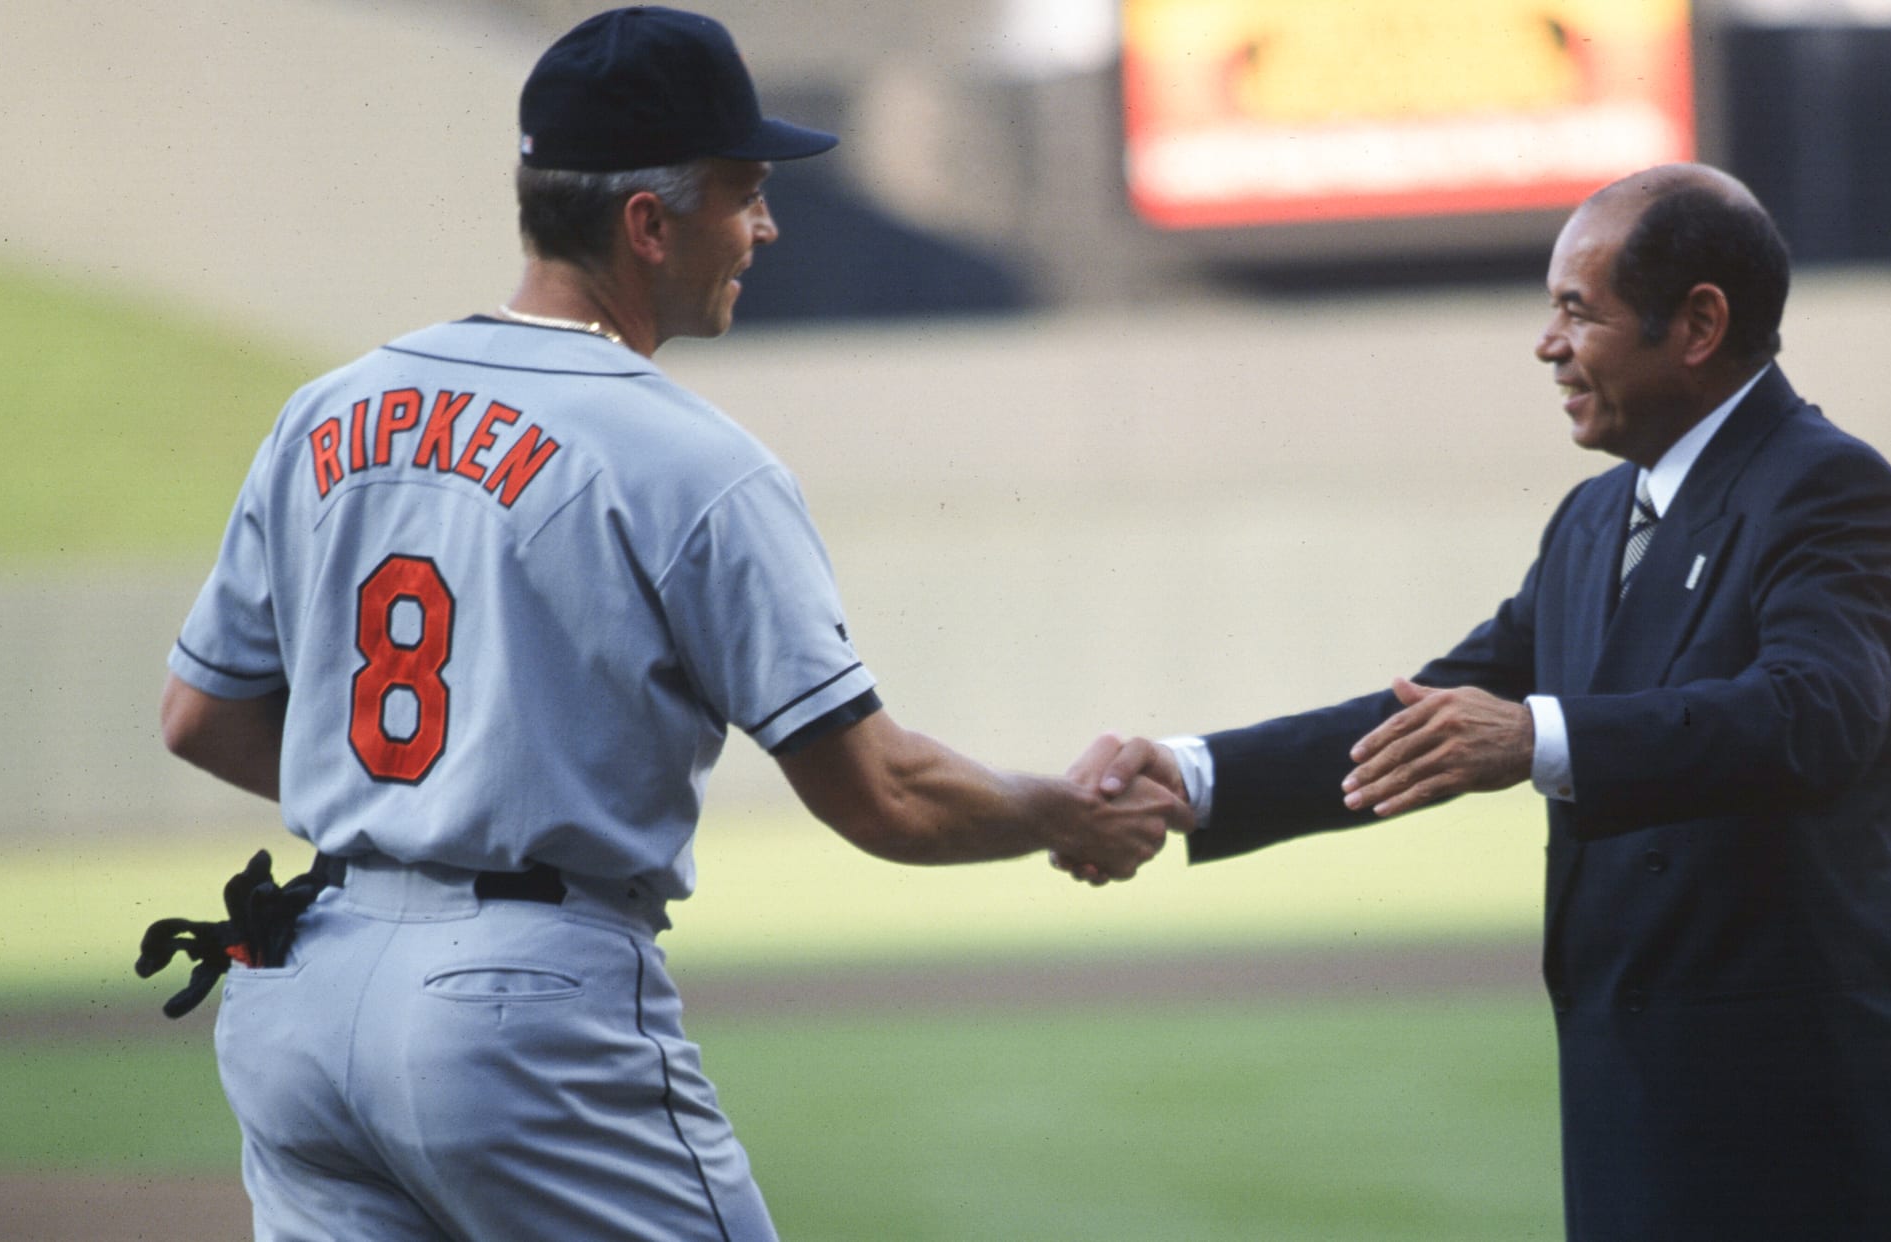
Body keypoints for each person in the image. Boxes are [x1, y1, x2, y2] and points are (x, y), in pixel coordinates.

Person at [154, 9, 1189, 1240]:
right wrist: (1058, 813)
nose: (765, 226)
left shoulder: (329, 410)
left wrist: (407, 810)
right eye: (742, 194)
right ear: (648, 224)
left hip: (303, 996)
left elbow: (201, 717)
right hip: (518, 1014)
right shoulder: (693, 463)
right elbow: (883, 795)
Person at [1070, 164, 1891, 1241]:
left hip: (1800, 1161)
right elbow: (1442, 709)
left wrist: (1538, 735)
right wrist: (1198, 775)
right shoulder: (1591, 522)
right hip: (1635, 1141)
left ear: (1697, 324)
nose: (1548, 346)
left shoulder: (1827, 485)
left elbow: (1815, 718)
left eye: (1576, 312)